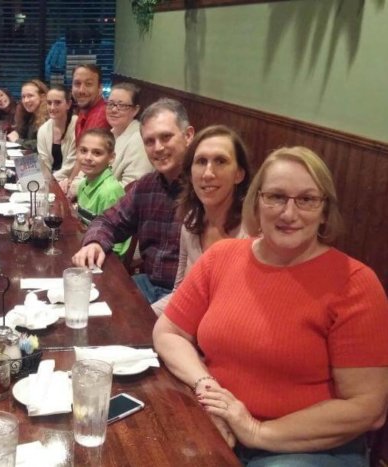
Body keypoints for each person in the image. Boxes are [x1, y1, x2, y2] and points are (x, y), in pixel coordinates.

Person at [153, 146, 388, 466]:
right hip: (216, 422)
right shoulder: (221, 258)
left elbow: (368, 408)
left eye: (306, 199)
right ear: (256, 202)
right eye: (276, 197)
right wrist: (208, 390)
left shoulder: (355, 284)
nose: (289, 214)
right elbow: (168, 332)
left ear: (324, 210)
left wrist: (255, 430)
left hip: (306, 449)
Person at [72, 98, 194, 303]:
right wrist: (94, 242)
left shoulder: (205, 188)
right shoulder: (146, 186)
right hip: (147, 284)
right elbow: (108, 221)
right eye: (149, 141)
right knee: (79, 299)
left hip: (186, 295)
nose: (158, 148)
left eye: (166, 137)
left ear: (188, 135)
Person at [151, 125, 251, 316]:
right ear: (190, 174)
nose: (208, 173)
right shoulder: (191, 222)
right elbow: (180, 294)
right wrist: (142, 318)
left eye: (220, 161)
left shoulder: (252, 233)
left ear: (239, 174)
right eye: (201, 162)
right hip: (184, 328)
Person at [75, 128, 130, 256]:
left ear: (111, 158)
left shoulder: (109, 191)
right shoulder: (83, 183)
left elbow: (117, 246)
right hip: (85, 245)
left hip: (105, 256)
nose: (88, 157)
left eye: (97, 153)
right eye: (83, 151)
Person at [59, 64, 110, 197]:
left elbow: (88, 163)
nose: (81, 90)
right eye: (77, 84)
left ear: (99, 88)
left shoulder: (101, 114)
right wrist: (69, 182)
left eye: (88, 84)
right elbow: (80, 158)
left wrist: (70, 187)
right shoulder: (83, 112)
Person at [106, 82, 154, 187]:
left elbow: (132, 187)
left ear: (135, 110)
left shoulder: (139, 139)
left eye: (122, 105)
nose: (114, 110)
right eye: (111, 104)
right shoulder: (112, 132)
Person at [36, 84, 78, 180]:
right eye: (49, 103)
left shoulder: (77, 125)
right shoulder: (43, 130)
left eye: (57, 103)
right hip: (49, 181)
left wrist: (50, 181)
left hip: (71, 180)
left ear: (68, 104)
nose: (52, 107)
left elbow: (71, 166)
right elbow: (44, 163)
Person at [9, 79, 49, 149]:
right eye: (23, 97)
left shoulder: (49, 117)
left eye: (30, 96)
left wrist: (17, 141)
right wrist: (16, 133)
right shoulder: (29, 115)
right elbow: (20, 133)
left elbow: (43, 145)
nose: (26, 100)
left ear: (42, 97)